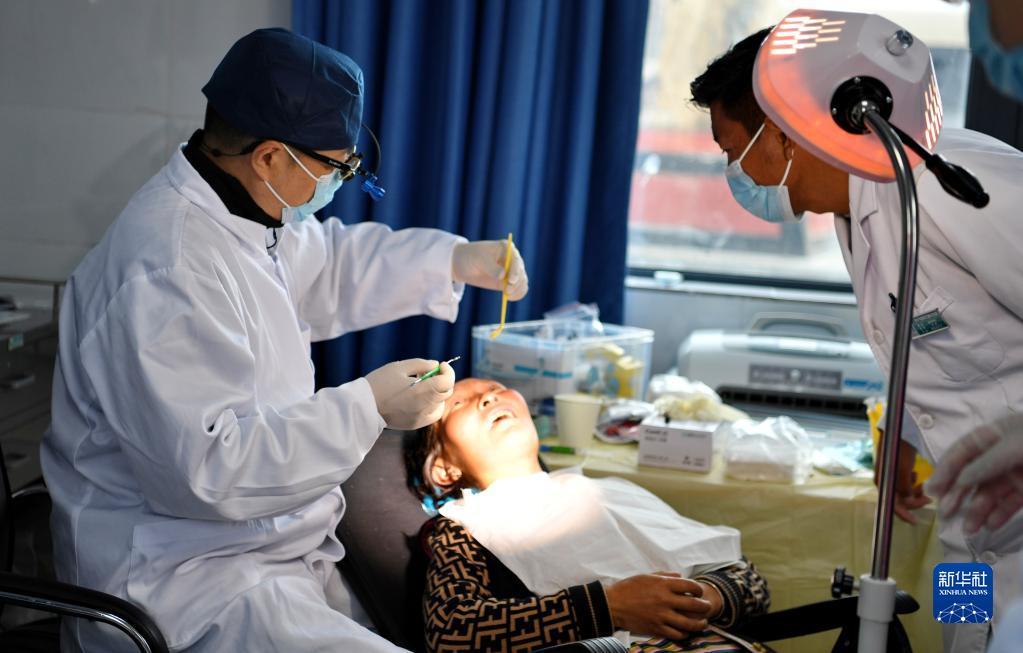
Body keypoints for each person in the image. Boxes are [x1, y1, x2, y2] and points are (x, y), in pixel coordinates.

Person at [40, 28, 527, 653]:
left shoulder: (242, 214)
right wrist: (366, 408)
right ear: (270, 157)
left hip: (266, 557)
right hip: (185, 585)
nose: (341, 181)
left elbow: (328, 265)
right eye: (335, 167)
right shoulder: (165, 270)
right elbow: (209, 473)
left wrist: (451, 259)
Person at [690, 26, 1023, 653]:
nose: (734, 173)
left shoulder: (946, 183)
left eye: (732, 150)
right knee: (963, 642)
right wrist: (902, 432)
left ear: (784, 131)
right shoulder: (857, 213)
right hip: (968, 535)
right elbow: (938, 343)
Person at [406, 378, 771, 653]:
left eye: (497, 388)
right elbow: (451, 632)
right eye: (458, 404)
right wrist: (610, 608)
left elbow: (751, 581)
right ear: (444, 469)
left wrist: (701, 597)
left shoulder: (609, 491)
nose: (488, 397)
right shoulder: (463, 528)